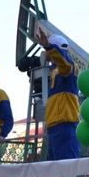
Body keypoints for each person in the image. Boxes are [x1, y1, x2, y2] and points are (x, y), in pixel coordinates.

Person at [37, 31, 80, 160]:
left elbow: (64, 64)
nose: (44, 53)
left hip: (64, 126)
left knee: (66, 166)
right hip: (54, 127)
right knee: (55, 169)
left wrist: (49, 47)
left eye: (46, 49)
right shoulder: (55, 71)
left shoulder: (68, 66)